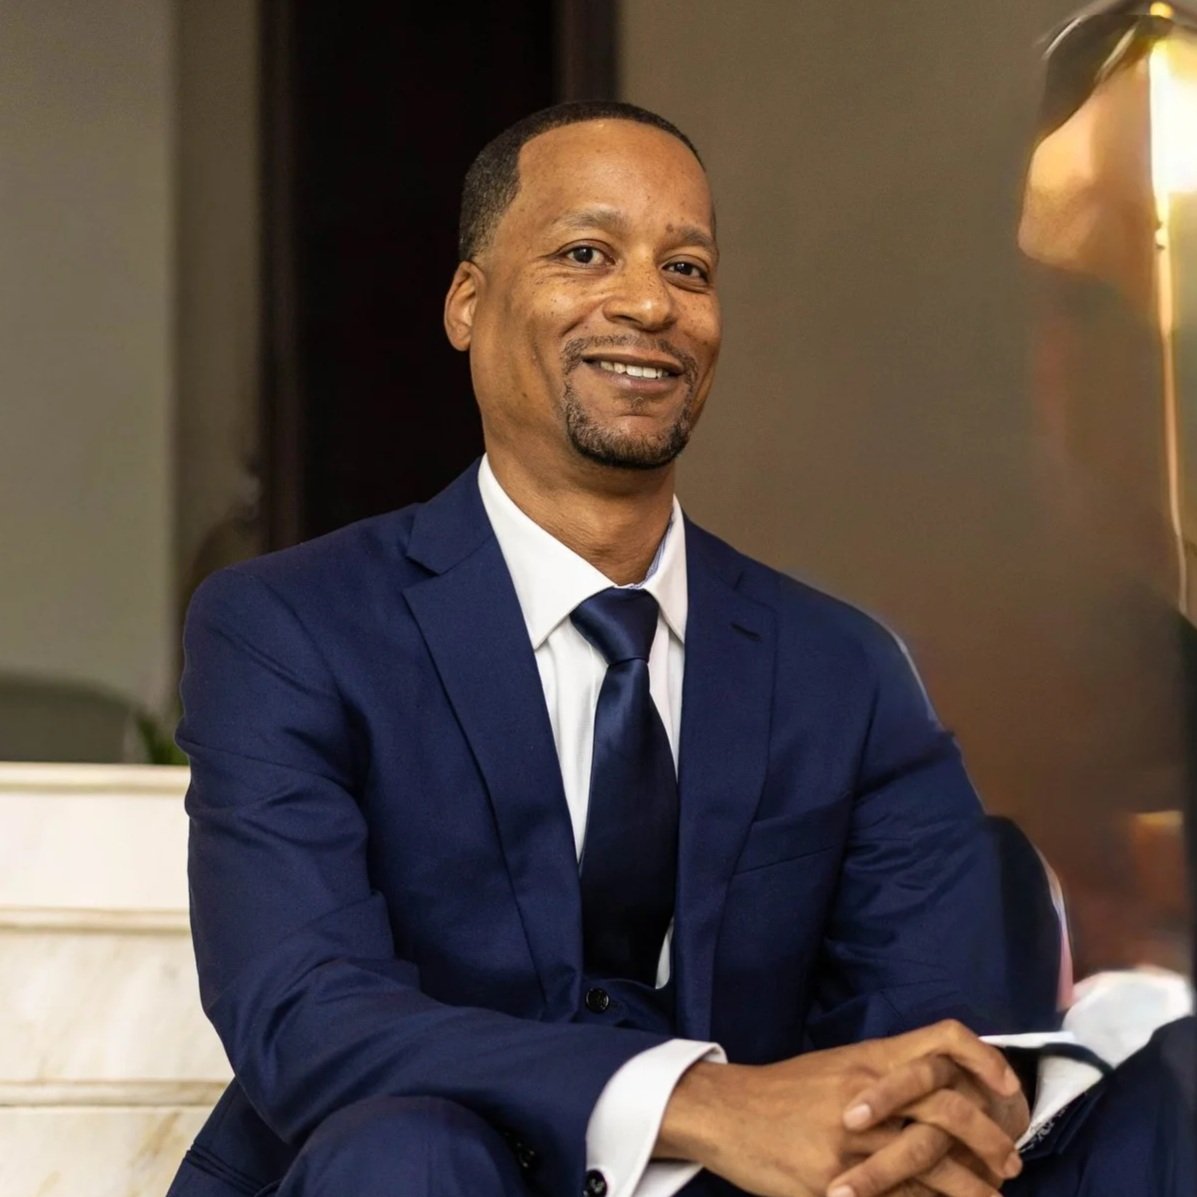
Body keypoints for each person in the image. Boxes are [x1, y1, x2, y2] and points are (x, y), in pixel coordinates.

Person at [165, 102, 1191, 1197]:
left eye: (690, 269)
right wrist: (699, 1102)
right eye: (585, 254)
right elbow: (307, 1015)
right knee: (408, 1150)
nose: (649, 303)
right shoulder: (289, 626)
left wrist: (893, 1119)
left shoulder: (843, 670)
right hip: (421, 1174)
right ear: (469, 303)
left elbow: (919, 1030)